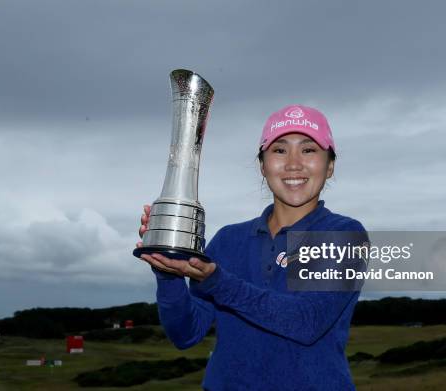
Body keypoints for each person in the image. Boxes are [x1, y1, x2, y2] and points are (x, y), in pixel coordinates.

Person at [137, 104, 366, 390]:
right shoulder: (229, 239)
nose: (293, 163)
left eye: (309, 150)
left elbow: (306, 323)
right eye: (279, 150)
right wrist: (168, 268)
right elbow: (186, 334)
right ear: (262, 165)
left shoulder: (343, 234)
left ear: (330, 166)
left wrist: (216, 281)